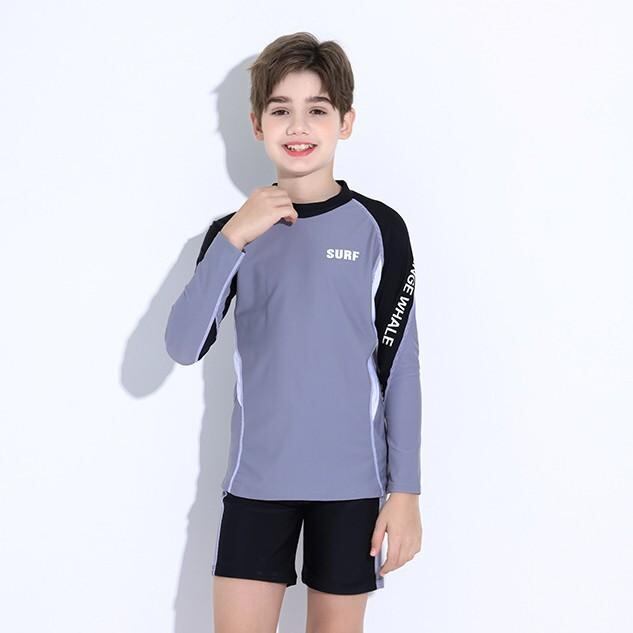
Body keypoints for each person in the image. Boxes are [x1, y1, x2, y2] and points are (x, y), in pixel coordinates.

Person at [165, 31, 424, 633]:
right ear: (258, 124)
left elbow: (400, 367)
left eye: (318, 110)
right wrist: (235, 236)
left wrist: (406, 491)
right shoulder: (232, 234)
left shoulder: (380, 229)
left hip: (353, 487)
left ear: (346, 122)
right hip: (256, 484)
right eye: (281, 109)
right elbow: (182, 345)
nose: (299, 125)